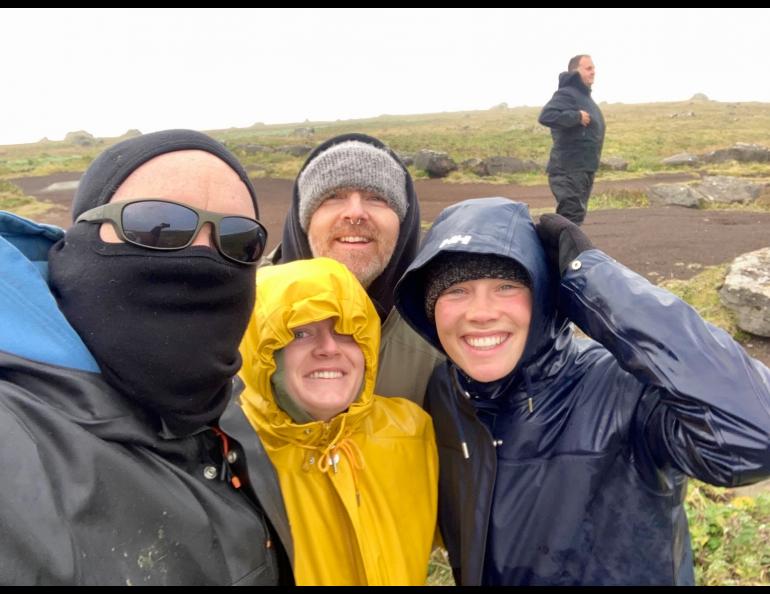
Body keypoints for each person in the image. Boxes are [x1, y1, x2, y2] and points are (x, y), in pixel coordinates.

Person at [394, 196, 770, 585]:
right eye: (456, 290)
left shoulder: (623, 387)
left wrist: (597, 280)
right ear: (428, 306)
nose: (481, 312)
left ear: (545, 295)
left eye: (507, 285)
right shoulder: (444, 392)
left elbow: (755, 438)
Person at [0, 129, 293, 585]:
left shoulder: (225, 408)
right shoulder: (15, 436)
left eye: (239, 241)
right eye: (158, 225)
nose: (203, 256)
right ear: (79, 241)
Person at [238, 257, 438, 585]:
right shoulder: (225, 460)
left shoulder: (411, 432)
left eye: (345, 331)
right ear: (260, 350)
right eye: (300, 333)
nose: (329, 348)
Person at [265, 133, 443, 406]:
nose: (355, 213)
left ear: (404, 222)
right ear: (303, 220)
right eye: (333, 197)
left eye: (377, 198)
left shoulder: (441, 322)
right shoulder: (242, 308)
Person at [539, 54, 605, 225]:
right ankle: (560, 251)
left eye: (594, 68)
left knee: (574, 218)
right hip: (568, 169)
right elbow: (547, 116)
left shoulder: (584, 97)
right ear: (576, 71)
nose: (593, 72)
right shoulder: (567, 94)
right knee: (570, 218)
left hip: (583, 169)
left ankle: (566, 251)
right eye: (588, 68)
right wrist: (575, 117)